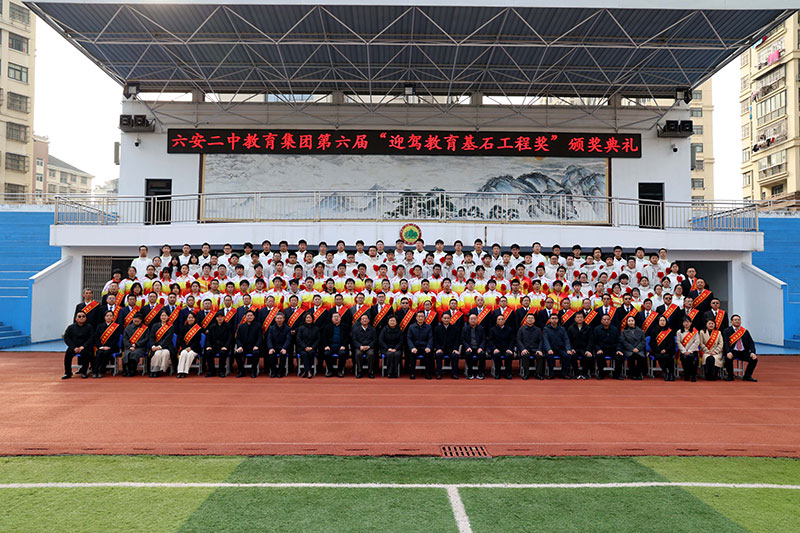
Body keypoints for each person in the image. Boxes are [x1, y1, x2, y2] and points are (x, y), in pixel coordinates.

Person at [722, 315, 758, 382]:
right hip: (733, 351)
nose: (737, 321)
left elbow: (751, 343)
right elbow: (725, 343)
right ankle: (730, 375)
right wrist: (728, 352)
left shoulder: (745, 331)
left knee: (754, 359)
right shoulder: (727, 331)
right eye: (735, 320)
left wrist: (753, 352)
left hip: (743, 352)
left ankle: (747, 376)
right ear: (731, 321)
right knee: (728, 358)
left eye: (738, 320)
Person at [62, 311, 95, 379]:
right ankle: (68, 373)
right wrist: (73, 347)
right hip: (74, 347)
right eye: (79, 316)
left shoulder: (89, 327)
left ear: (86, 318)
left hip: (84, 347)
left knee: (86, 354)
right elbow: (67, 338)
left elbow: (91, 338)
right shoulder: (70, 327)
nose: (81, 318)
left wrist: (83, 346)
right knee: (68, 355)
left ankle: (84, 372)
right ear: (76, 318)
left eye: (83, 316)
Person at [542, 313, 572, 379]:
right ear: (549, 320)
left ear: (558, 320)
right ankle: (551, 373)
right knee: (549, 356)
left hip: (560, 349)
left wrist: (568, 349)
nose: (554, 320)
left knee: (567, 356)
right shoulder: (546, 329)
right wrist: (549, 349)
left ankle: (564, 373)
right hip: (550, 349)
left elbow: (566, 339)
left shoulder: (562, 329)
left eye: (555, 318)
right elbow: (546, 340)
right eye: (552, 318)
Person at [593, 314, 622, 380]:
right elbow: (594, 342)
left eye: (608, 319)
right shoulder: (596, 329)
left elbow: (618, 341)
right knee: (599, 356)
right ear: (601, 321)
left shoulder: (615, 329)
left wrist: (618, 350)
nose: (606, 321)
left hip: (612, 349)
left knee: (619, 356)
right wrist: (598, 349)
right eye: (604, 319)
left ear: (610, 321)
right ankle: (601, 374)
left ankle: (616, 375)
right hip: (601, 349)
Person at [320, 312, 349, 377]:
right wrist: (326, 346)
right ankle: (330, 370)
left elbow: (347, 338)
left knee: (343, 353)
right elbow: (324, 338)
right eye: (334, 317)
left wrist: (343, 345)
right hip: (330, 347)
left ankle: (340, 371)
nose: (336, 318)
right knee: (326, 353)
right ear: (332, 319)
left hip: (341, 347)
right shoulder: (327, 327)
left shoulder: (345, 327)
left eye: (337, 317)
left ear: (340, 318)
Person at [434, 312, 462, 379]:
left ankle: (454, 374)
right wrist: (438, 348)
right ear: (441, 319)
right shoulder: (437, 328)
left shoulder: (455, 328)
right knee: (438, 355)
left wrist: (455, 349)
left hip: (451, 349)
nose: (446, 319)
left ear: (450, 319)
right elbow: (435, 340)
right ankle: (439, 373)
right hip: (441, 349)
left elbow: (457, 340)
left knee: (455, 355)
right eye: (445, 318)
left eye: (448, 318)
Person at [204, 311, 232, 377]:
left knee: (222, 353)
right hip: (214, 346)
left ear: (224, 317)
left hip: (224, 346)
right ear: (216, 318)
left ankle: (221, 371)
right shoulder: (212, 326)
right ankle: (211, 371)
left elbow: (230, 338)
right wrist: (208, 346)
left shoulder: (228, 326)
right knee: (208, 352)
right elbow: (208, 338)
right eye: (218, 317)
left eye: (221, 317)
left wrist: (226, 346)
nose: (220, 318)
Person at [93, 310, 121, 378]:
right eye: (107, 316)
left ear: (113, 317)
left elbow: (116, 339)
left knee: (106, 353)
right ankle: (95, 371)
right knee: (99, 353)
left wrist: (109, 346)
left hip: (112, 347)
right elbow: (96, 338)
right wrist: (100, 346)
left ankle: (101, 371)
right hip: (101, 347)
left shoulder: (116, 327)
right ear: (104, 317)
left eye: (110, 316)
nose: (109, 317)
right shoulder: (99, 326)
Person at [407, 311, 433, 380]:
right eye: (419, 316)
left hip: (424, 347)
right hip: (415, 347)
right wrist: (412, 347)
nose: (420, 318)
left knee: (429, 354)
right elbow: (409, 339)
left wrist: (428, 347)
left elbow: (430, 338)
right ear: (416, 318)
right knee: (412, 355)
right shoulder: (411, 327)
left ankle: (427, 373)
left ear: (424, 318)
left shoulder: (428, 327)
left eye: (422, 317)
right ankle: (412, 373)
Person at [148, 310, 175, 377]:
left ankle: (162, 369)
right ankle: (154, 370)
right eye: (162, 315)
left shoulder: (171, 327)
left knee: (165, 353)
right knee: (157, 354)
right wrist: (153, 346)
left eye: (165, 315)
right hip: (156, 346)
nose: (164, 317)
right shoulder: (155, 325)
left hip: (167, 346)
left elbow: (168, 339)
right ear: (160, 317)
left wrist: (159, 347)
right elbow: (151, 337)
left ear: (168, 317)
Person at [516, 312, 543, 380]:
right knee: (525, 356)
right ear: (526, 320)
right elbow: (518, 340)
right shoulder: (521, 329)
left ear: (534, 320)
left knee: (539, 356)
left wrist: (539, 350)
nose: (530, 319)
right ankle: (526, 374)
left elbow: (541, 341)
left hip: (535, 349)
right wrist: (523, 349)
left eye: (532, 318)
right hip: (525, 349)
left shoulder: (538, 330)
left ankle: (538, 374)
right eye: (529, 318)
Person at [567, 312, 594, 379]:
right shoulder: (571, 328)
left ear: (584, 318)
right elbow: (568, 340)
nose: (580, 319)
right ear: (575, 319)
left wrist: (588, 350)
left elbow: (590, 340)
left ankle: (585, 373)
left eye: (581, 317)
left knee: (588, 357)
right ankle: (576, 373)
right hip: (575, 348)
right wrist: (571, 348)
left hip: (585, 348)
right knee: (572, 356)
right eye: (578, 317)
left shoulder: (588, 328)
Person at [488, 314, 515, 379]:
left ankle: (508, 373)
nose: (501, 321)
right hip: (496, 348)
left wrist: (510, 349)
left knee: (509, 355)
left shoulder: (509, 329)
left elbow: (512, 340)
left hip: (507, 348)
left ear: (505, 320)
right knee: (496, 355)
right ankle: (497, 373)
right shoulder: (492, 330)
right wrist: (494, 348)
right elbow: (491, 341)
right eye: (499, 319)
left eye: (502, 319)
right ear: (496, 321)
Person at [235, 310, 261, 378]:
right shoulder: (241, 326)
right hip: (244, 347)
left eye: (251, 315)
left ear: (254, 317)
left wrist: (257, 345)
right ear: (245, 317)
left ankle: (253, 371)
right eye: (248, 315)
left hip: (254, 347)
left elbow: (260, 337)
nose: (249, 317)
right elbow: (238, 338)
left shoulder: (258, 325)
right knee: (237, 353)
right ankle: (241, 371)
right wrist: (240, 346)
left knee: (256, 353)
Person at [176, 312, 203, 377]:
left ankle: (185, 372)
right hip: (185, 348)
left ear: (194, 319)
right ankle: (180, 371)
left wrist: (191, 348)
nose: (190, 319)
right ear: (187, 319)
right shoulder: (183, 328)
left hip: (195, 348)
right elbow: (181, 340)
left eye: (192, 318)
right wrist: (185, 347)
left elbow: (197, 341)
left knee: (190, 354)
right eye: (189, 317)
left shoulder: (198, 328)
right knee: (183, 353)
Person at [351, 313, 378, 378]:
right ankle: (359, 372)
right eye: (363, 319)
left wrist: (369, 346)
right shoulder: (356, 330)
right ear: (360, 321)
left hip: (369, 347)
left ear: (369, 320)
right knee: (358, 354)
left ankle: (370, 372)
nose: (364, 320)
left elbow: (374, 340)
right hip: (360, 347)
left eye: (366, 319)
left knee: (371, 354)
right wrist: (360, 346)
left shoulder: (373, 330)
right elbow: (354, 340)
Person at [265, 312, 291, 378]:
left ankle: (280, 372)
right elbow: (269, 339)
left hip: (283, 347)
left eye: (280, 318)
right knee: (271, 354)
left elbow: (288, 340)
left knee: (283, 354)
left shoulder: (287, 328)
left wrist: (284, 348)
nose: (279, 320)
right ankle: (273, 371)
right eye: (278, 318)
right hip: (274, 346)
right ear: (275, 319)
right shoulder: (271, 328)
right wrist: (270, 348)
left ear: (283, 319)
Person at [650, 315, 676, 381]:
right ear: (658, 322)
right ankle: (665, 372)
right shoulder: (654, 331)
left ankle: (671, 373)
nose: (662, 322)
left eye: (663, 320)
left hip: (668, 350)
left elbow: (672, 343)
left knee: (669, 357)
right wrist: (659, 350)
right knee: (660, 357)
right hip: (657, 351)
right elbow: (652, 343)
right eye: (661, 320)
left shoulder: (670, 331)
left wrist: (666, 350)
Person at [461, 313, 486, 380]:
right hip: (469, 348)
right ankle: (470, 373)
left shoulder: (481, 328)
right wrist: (467, 347)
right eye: (471, 319)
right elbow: (463, 339)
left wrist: (481, 347)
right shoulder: (465, 329)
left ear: (477, 320)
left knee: (482, 354)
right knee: (468, 354)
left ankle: (480, 373)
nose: (473, 320)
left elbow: (483, 339)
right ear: (468, 320)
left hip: (478, 348)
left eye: (474, 319)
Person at [296, 312, 320, 379]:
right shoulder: (301, 328)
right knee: (304, 354)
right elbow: (298, 338)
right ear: (305, 319)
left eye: (310, 318)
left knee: (311, 353)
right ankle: (309, 371)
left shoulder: (316, 328)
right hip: (302, 348)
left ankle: (306, 371)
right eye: (307, 318)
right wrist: (305, 347)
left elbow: (318, 339)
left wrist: (312, 347)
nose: (308, 319)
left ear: (312, 319)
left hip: (312, 348)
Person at [676, 317, 699, 382]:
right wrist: (684, 351)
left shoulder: (695, 331)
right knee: (684, 358)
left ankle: (693, 375)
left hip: (693, 351)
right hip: (683, 351)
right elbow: (678, 342)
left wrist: (689, 351)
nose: (686, 323)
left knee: (691, 358)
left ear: (691, 323)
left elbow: (697, 342)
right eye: (684, 322)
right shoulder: (679, 332)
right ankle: (687, 374)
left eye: (688, 322)